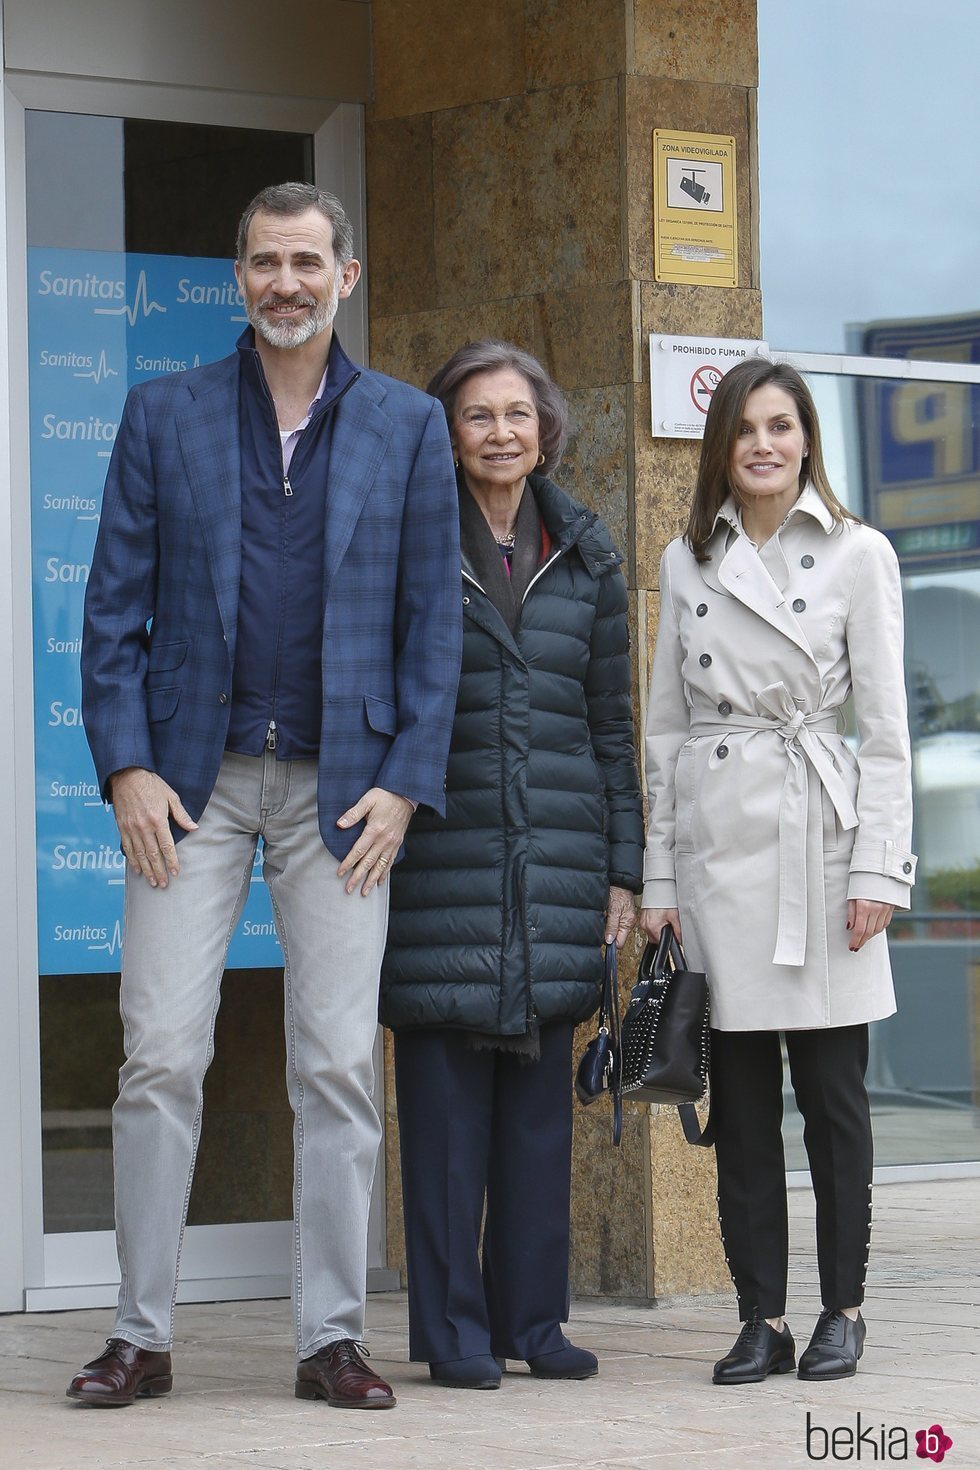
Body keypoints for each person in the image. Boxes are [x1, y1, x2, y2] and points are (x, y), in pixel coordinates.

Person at [70, 182, 462, 1410]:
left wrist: (405, 783)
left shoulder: (405, 427)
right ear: (236, 278)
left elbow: (430, 627)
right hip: (189, 788)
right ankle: (140, 1334)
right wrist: (128, 765)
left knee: (340, 1063)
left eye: (305, 260)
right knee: (160, 1058)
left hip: (346, 795)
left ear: (345, 275)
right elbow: (109, 613)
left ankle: (328, 1338)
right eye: (261, 261)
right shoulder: (164, 416)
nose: (283, 281)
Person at [639, 359, 915, 1386]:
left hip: (821, 841)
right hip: (718, 851)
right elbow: (665, 730)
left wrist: (879, 868)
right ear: (719, 444)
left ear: (805, 440)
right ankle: (760, 1316)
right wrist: (657, 877)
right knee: (743, 1108)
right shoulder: (684, 559)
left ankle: (840, 1308)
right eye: (744, 428)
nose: (761, 443)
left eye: (780, 426)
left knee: (834, 1102)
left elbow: (885, 731)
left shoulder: (857, 552)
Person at [380, 340, 644, 1390]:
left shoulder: (584, 550)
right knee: (446, 1121)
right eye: (476, 414)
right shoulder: (404, 542)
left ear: (546, 429)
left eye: (516, 414)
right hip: (438, 857)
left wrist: (623, 869)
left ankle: (534, 1325)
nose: (499, 431)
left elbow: (609, 725)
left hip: (560, 864)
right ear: (445, 432)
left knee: (537, 1127)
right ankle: (452, 1334)